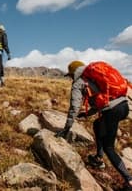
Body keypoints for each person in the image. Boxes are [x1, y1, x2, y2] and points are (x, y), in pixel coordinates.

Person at [55, 60, 132, 191]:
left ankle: (129, 180)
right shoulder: (94, 76)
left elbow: (74, 107)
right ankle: (98, 158)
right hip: (124, 106)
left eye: (70, 75)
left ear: (73, 73)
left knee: (109, 148)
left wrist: (67, 128)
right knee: (97, 124)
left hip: (112, 111)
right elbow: (103, 101)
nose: (70, 78)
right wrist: (87, 114)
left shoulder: (78, 83)